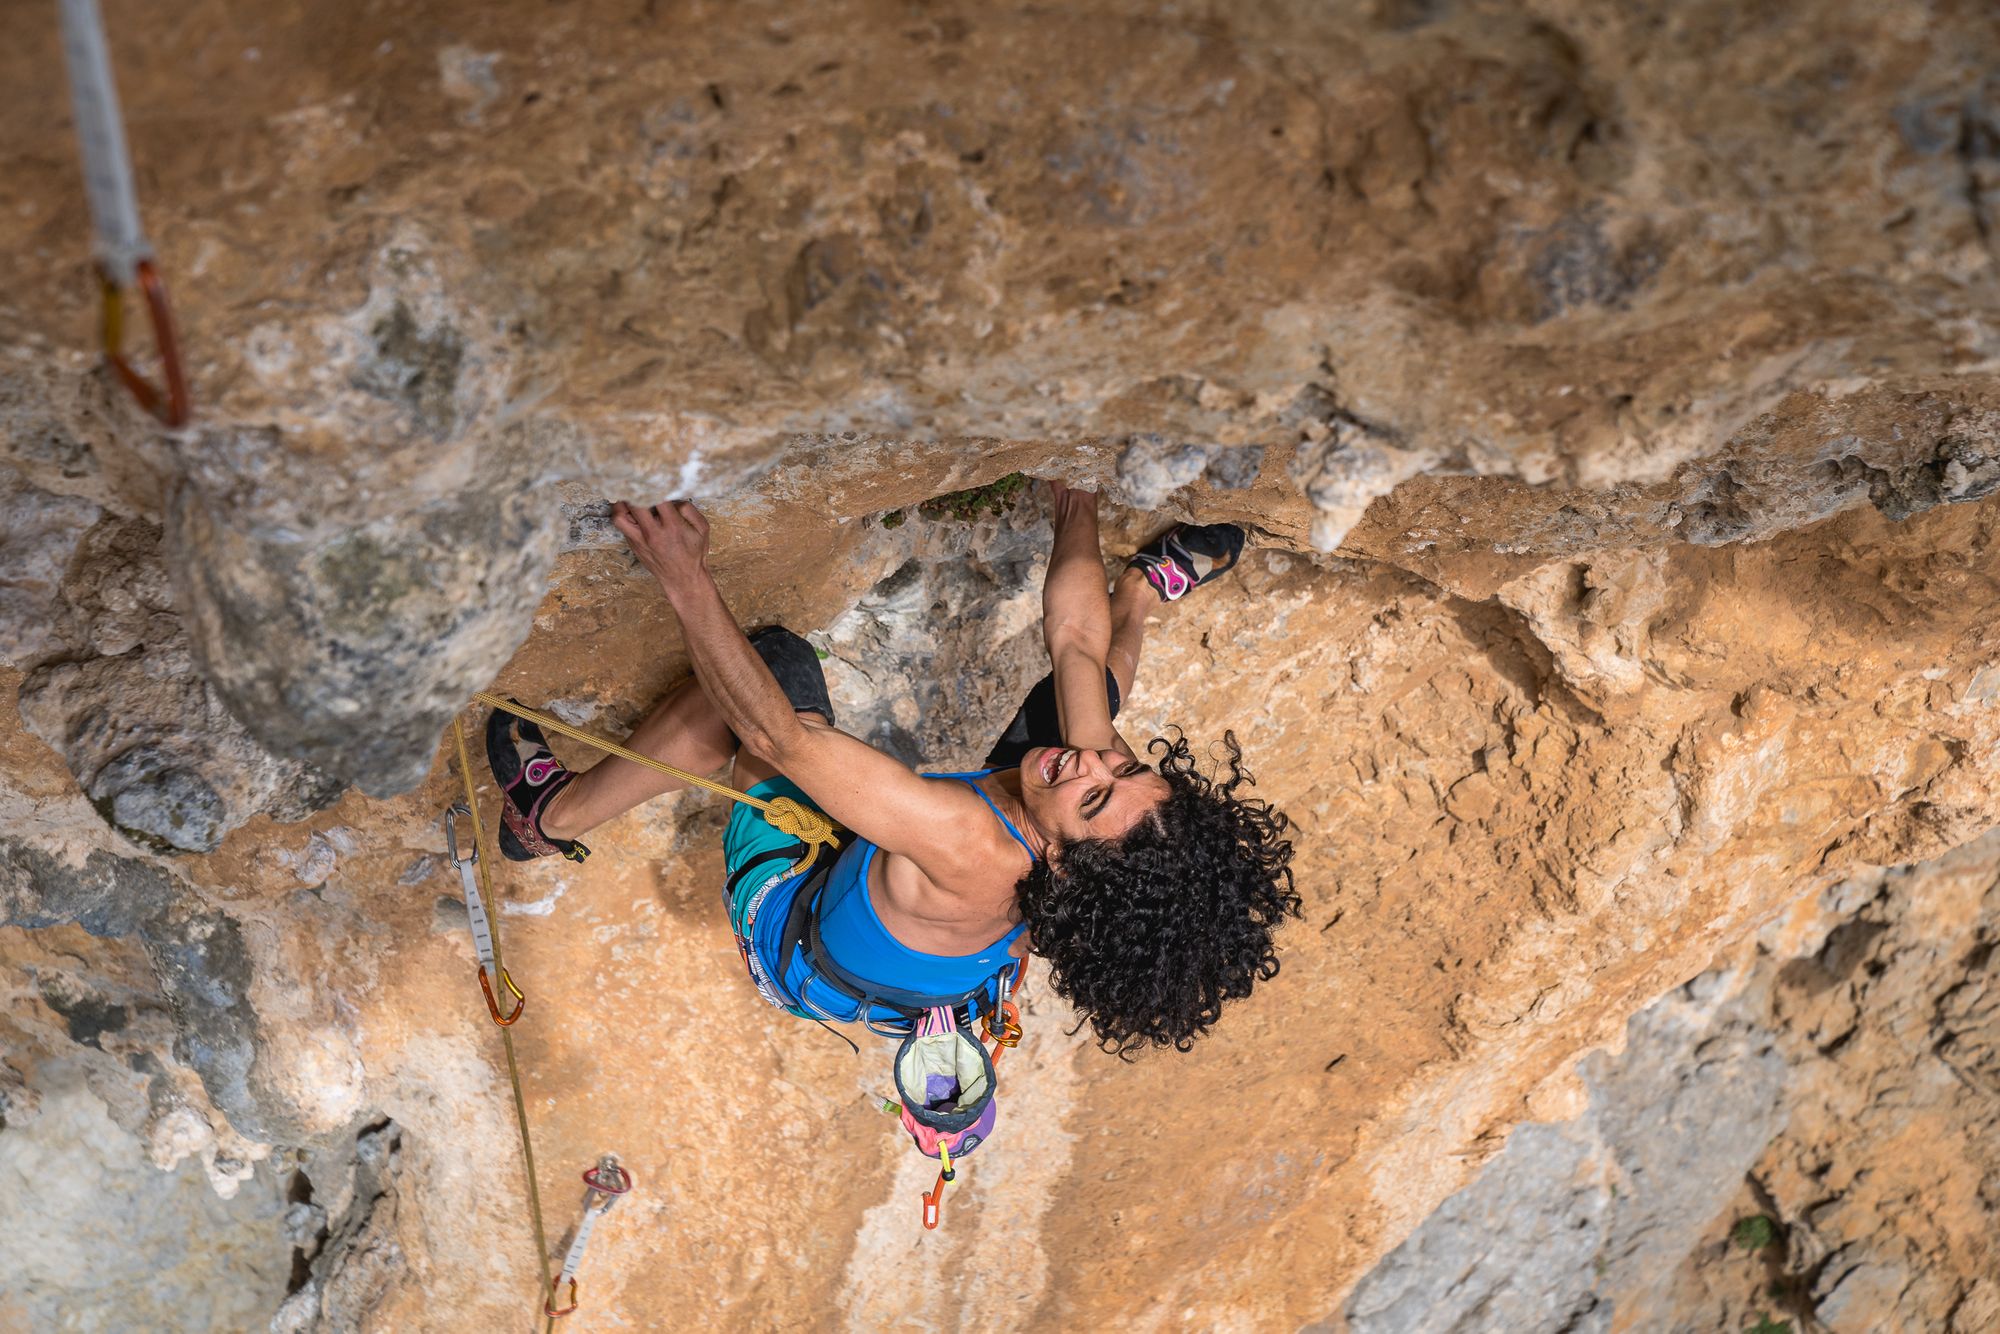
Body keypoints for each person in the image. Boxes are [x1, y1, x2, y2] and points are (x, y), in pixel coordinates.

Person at [486, 482, 1299, 1054]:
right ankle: (1144, 593)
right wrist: (1076, 496)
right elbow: (1079, 643)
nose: (1094, 761)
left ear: (1062, 864)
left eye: (1094, 796)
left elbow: (779, 741)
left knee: (766, 673)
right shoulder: (1094, 810)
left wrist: (683, 574)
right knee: (1084, 689)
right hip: (899, 926)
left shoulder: (969, 843)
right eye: (1124, 771)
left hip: (794, 928)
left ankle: (546, 818)